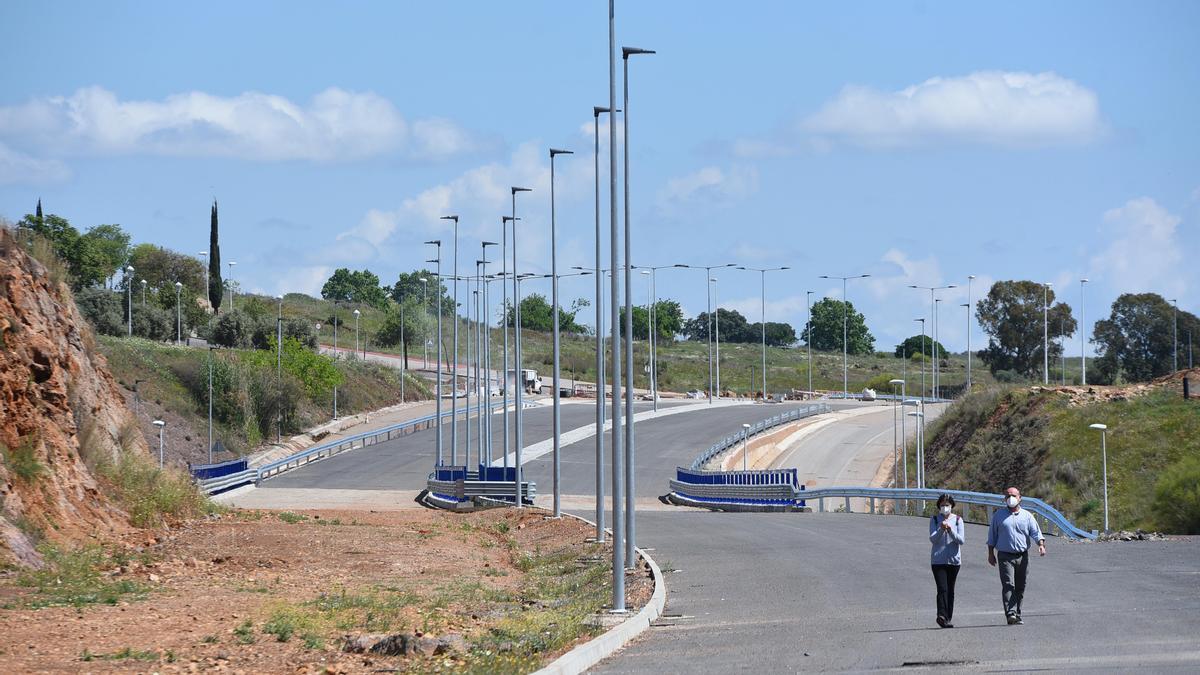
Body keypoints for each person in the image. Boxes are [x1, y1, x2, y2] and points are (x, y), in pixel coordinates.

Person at [986, 487, 1046, 625]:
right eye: (1007, 496)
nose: (1010, 498)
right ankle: (1010, 613)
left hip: (1022, 556)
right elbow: (992, 536)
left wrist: (1041, 545)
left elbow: (1036, 532)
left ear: (1020, 498)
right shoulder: (998, 516)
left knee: (1020, 586)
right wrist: (990, 553)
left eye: (1013, 495)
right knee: (1008, 584)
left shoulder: (1027, 516)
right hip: (1005, 556)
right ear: (1004, 499)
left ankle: (1017, 613)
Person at [929, 493, 965, 628]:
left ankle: (948, 617)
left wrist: (950, 531)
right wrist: (940, 530)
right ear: (939, 506)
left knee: (950, 590)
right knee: (942, 588)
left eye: (947, 505)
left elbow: (961, 540)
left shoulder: (958, 520)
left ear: (952, 506)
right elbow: (932, 539)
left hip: (954, 561)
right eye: (943, 505)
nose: (945, 508)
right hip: (938, 561)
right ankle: (941, 615)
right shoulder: (934, 519)